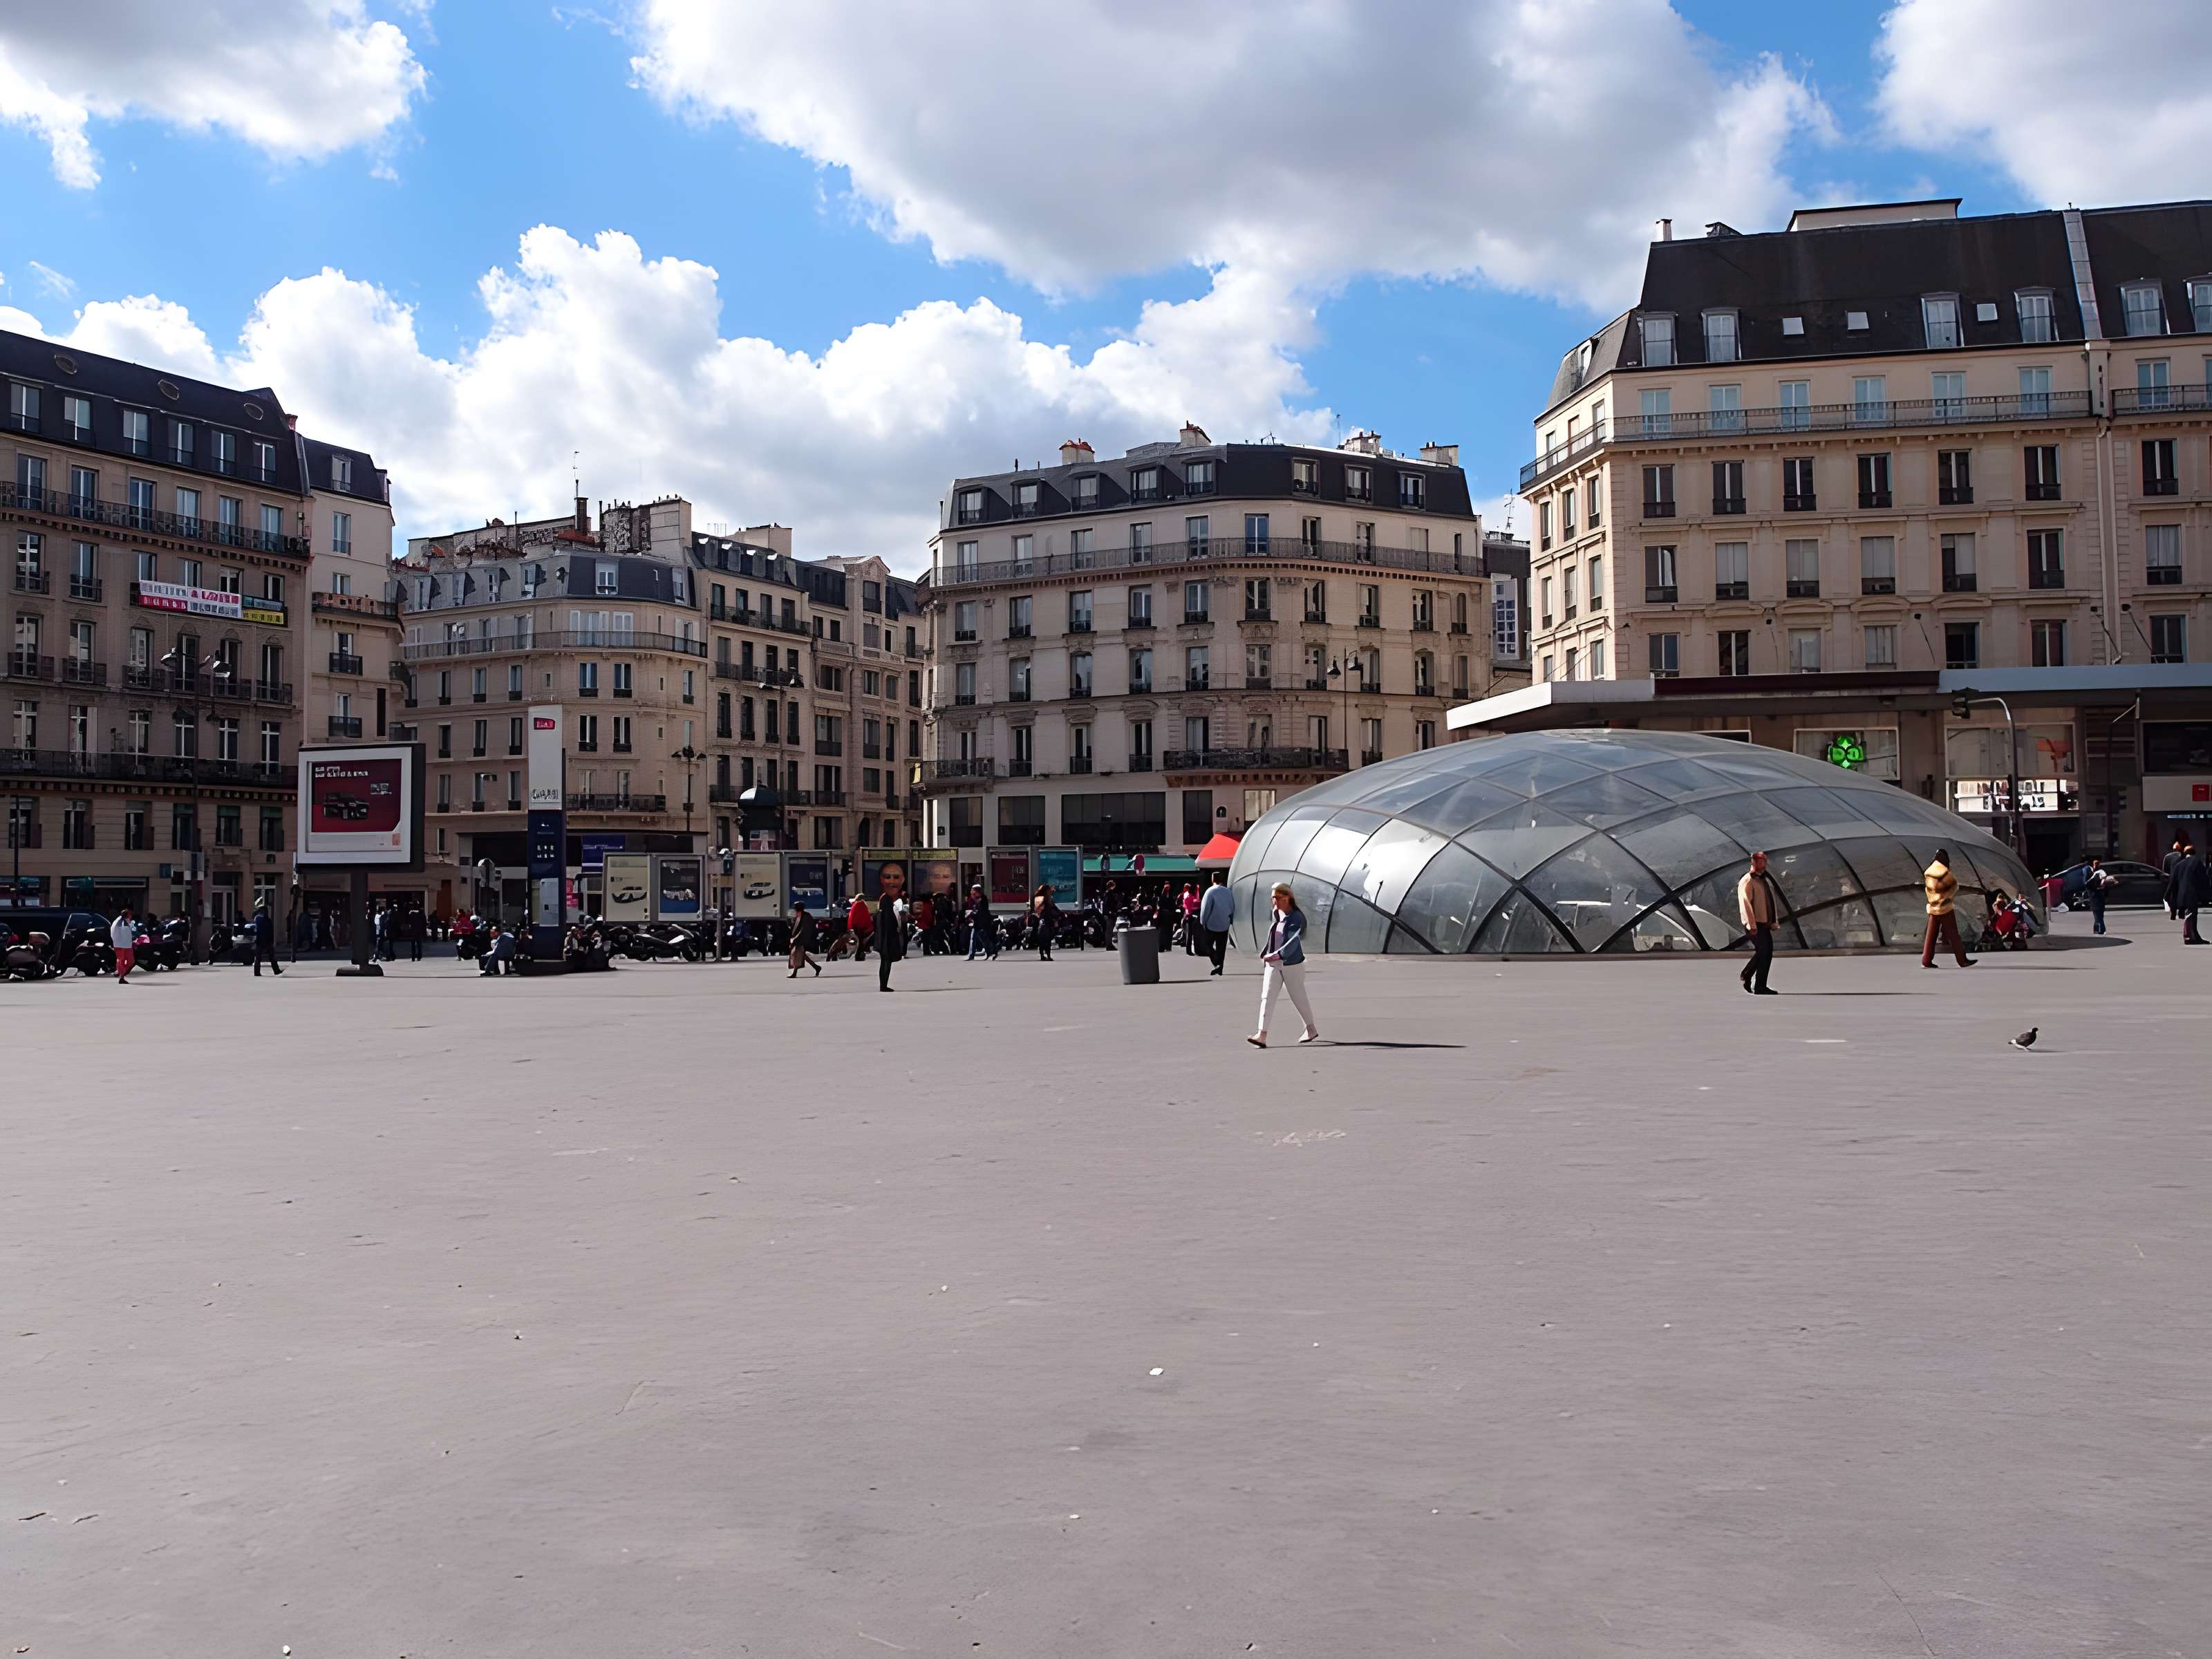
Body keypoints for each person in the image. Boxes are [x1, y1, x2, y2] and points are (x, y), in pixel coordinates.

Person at [1247, 881, 1319, 1049]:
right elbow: (1274, 934)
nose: (1275, 902)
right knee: (1267, 997)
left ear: (1288, 898)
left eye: (1278, 898)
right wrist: (1266, 952)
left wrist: (1278, 954)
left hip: (1292, 964)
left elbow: (1294, 941)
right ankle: (1262, 1035)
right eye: (1273, 898)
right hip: (1273, 963)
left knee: (1298, 998)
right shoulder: (1276, 913)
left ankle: (1311, 1029)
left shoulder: (1297, 918)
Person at [1920, 847, 1975, 968]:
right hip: (1945, 908)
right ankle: (1962, 960)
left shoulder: (1928, 874)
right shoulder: (1946, 873)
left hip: (1933, 908)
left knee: (1931, 936)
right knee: (1954, 935)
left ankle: (1926, 960)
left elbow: (1927, 890)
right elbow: (1954, 887)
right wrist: (1946, 897)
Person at [1736, 850, 1779, 995]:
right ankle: (1759, 985)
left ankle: (1749, 976)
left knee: (1765, 952)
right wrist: (1751, 924)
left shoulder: (1763, 880)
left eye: (1763, 861)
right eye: (1758, 861)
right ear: (1753, 862)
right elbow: (1745, 903)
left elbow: (1769, 902)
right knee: (1764, 952)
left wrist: (1773, 921)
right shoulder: (1748, 880)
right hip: (1755, 924)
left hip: (1764, 923)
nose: (1761, 864)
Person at [874, 872, 906, 992]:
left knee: (884, 962)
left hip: (882, 940)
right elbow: (892, 926)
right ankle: (884, 985)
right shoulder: (888, 913)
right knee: (886, 963)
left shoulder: (881, 914)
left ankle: (883, 985)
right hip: (887, 941)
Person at [1198, 870, 1233, 976]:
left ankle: (1217, 963)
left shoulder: (1210, 891)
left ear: (1212, 879)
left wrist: (1203, 921)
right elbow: (1232, 907)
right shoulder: (1228, 891)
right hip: (1224, 923)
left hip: (1212, 924)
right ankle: (1220, 967)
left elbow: (1205, 909)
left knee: (1207, 945)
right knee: (1221, 947)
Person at [2177, 842, 2210, 944]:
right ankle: (2189, 937)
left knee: (2190, 914)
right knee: (2191, 914)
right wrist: (2206, 895)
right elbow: (2204, 880)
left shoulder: (2180, 864)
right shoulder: (2197, 862)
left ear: (2185, 853)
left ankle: (2194, 936)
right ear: (2194, 853)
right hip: (2192, 893)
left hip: (2182, 894)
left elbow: (2173, 881)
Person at [788, 903, 822, 977]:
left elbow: (804, 930)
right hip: (800, 939)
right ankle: (816, 967)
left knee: (797, 954)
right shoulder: (800, 915)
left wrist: (796, 939)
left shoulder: (806, 917)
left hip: (805, 939)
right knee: (801, 955)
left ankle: (795, 973)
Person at [250, 901, 283, 976]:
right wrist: (272, 941)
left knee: (259, 957)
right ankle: (276, 970)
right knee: (270, 957)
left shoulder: (258, 919)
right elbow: (270, 931)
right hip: (266, 941)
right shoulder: (265, 920)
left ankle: (257, 972)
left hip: (261, 940)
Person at [2083, 856, 2114, 935]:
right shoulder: (2089, 870)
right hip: (2096, 895)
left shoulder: (2098, 871)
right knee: (2098, 912)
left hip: (2099, 895)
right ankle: (2100, 929)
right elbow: (2088, 884)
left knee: (2098, 912)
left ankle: (2098, 929)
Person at [964, 884, 996, 960]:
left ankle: (991, 952)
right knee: (973, 938)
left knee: (984, 939)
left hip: (984, 922)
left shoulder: (983, 899)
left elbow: (982, 911)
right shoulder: (971, 899)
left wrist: (973, 913)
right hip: (976, 922)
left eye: (974, 891)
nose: (972, 893)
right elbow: (970, 908)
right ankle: (971, 956)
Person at [110, 905, 138, 984]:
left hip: (127, 945)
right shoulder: (118, 922)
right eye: (130, 914)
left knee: (131, 961)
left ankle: (120, 972)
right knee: (121, 960)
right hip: (119, 945)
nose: (131, 916)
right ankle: (121, 976)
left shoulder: (127, 922)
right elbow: (114, 933)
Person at [1033, 883, 1060, 962]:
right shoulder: (1045, 899)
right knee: (1047, 939)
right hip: (1046, 920)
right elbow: (1052, 908)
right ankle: (1047, 955)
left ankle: (1044, 955)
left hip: (1043, 920)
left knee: (1044, 939)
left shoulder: (1041, 898)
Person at [847, 892, 872, 963]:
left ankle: (858, 955)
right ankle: (859, 955)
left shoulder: (855, 905)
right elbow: (865, 916)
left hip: (855, 926)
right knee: (861, 942)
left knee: (859, 941)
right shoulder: (862, 905)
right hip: (861, 927)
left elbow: (852, 917)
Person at [1180, 883, 1201, 954]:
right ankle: (1189, 951)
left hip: (1188, 916)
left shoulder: (1188, 896)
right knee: (1189, 935)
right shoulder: (1189, 897)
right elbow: (1195, 904)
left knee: (1189, 934)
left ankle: (1189, 950)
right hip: (1189, 917)